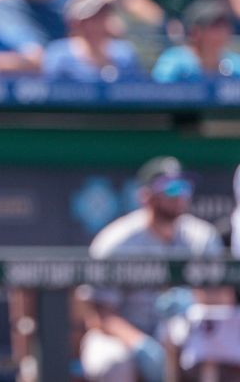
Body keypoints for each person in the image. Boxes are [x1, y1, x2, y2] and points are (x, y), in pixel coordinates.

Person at [79, 156, 224, 382]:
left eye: (184, 186)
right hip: (122, 336)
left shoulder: (202, 237)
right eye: (170, 188)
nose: (179, 195)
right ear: (146, 196)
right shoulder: (116, 241)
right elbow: (100, 316)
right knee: (114, 364)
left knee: (215, 351)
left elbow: (221, 297)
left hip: (184, 333)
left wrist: (194, 299)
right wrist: (140, 344)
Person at [44, 0, 144, 82]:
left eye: (102, 15)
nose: (98, 22)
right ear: (75, 22)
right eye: (92, 18)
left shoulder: (125, 54)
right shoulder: (59, 56)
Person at [151, 0, 240, 82]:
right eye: (215, 26)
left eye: (225, 26)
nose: (222, 32)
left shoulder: (235, 65)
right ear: (195, 32)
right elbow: (157, 92)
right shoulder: (173, 63)